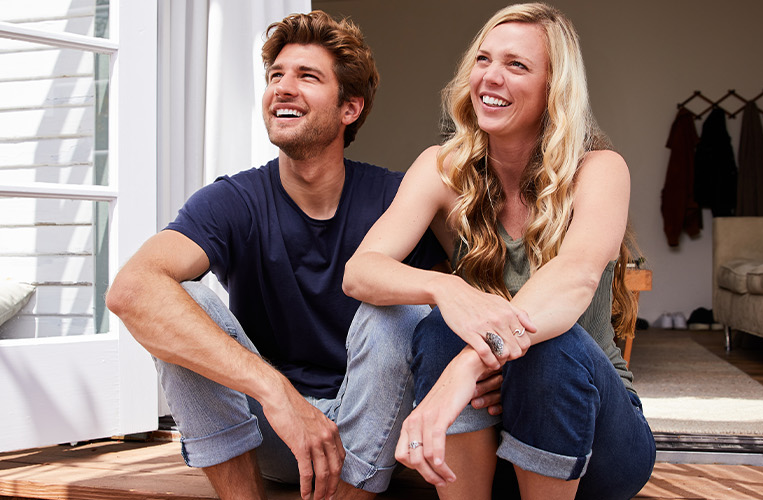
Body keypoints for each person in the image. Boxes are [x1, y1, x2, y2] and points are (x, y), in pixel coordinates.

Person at [106, 11, 447, 500]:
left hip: (373, 430)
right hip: (271, 432)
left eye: (307, 76)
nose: (282, 88)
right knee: (178, 302)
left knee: (396, 313)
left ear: (350, 108)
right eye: (275, 76)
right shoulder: (233, 200)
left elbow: (454, 306)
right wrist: (278, 394)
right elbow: (131, 290)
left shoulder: (398, 199)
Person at [342, 4, 655, 499]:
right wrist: (444, 288)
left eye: (517, 65)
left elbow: (574, 277)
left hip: (594, 444)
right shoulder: (443, 168)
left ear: (554, 89)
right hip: (492, 433)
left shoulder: (600, 169)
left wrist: (466, 369)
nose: (490, 76)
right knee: (442, 323)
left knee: (554, 344)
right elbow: (360, 271)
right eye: (484, 59)